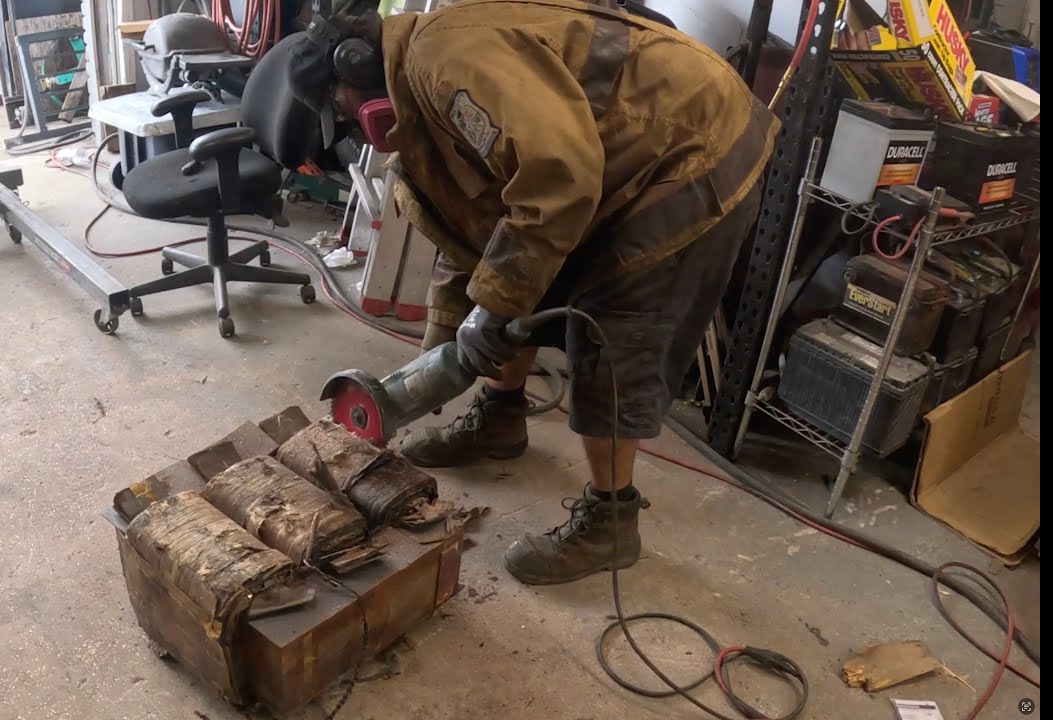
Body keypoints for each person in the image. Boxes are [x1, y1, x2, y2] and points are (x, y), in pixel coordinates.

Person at [287, 0, 779, 586]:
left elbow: (560, 179)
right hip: (614, 146)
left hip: (690, 144)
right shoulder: (418, 90)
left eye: (341, 110)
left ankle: (610, 521)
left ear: (356, 65)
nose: (349, 125)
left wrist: (491, 309)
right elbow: (472, 238)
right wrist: (444, 351)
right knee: (510, 270)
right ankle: (500, 418)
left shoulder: (445, 64)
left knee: (613, 324)